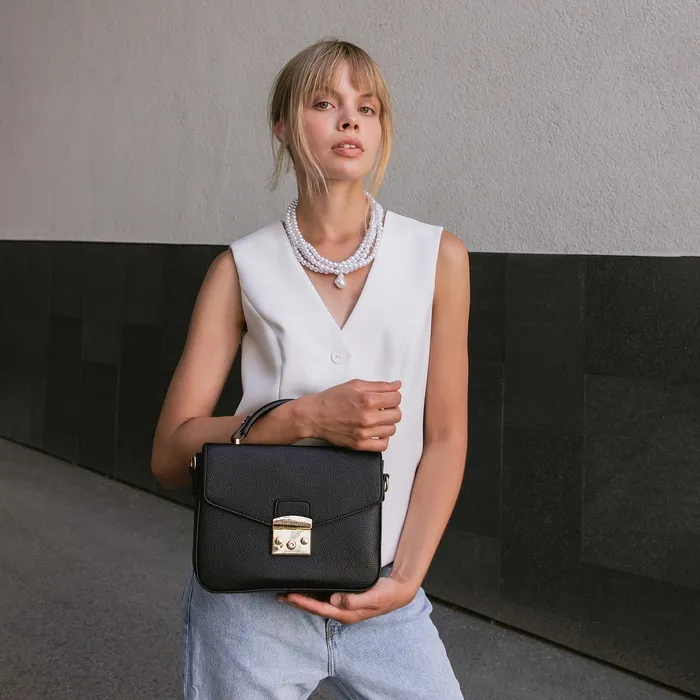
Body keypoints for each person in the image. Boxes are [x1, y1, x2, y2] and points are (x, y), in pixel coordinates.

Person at [151, 36, 470, 700]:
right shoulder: (240, 268)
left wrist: (406, 578)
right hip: (249, 598)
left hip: (386, 591)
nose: (350, 119)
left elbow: (445, 437)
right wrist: (300, 418)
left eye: (367, 106)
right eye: (324, 103)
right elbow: (169, 455)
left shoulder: (437, 257)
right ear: (282, 126)